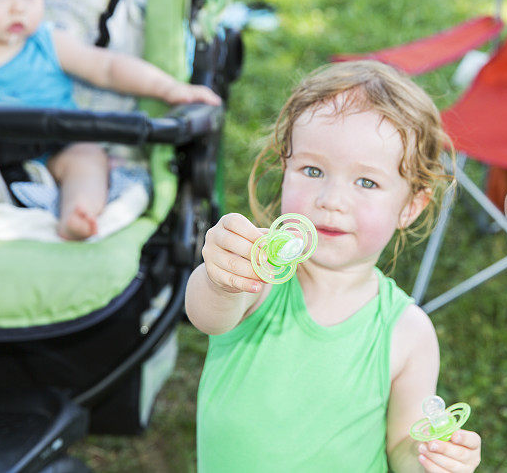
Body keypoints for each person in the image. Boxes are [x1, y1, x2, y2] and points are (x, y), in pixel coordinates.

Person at [186, 60, 482, 472]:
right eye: (312, 170)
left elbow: (402, 445)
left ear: (411, 207)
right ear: (284, 171)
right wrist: (221, 279)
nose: (331, 198)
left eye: (366, 182)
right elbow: (207, 316)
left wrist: (431, 460)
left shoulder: (408, 333)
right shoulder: (262, 279)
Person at [0, 0, 221, 244]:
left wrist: (169, 88)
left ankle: (78, 211)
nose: (19, 7)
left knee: (88, 157)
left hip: (55, 154)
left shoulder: (47, 41)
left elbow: (108, 68)